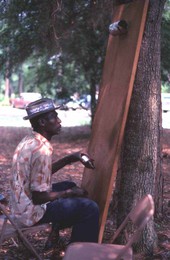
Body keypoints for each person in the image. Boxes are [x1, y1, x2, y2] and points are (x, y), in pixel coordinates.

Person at [10, 98, 99, 245]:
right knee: (89, 208)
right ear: (42, 122)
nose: (59, 121)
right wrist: (69, 194)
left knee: (68, 184)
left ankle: (56, 236)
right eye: (54, 117)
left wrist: (71, 158)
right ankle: (79, 254)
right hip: (29, 212)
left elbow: (38, 175)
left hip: (20, 203)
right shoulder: (41, 150)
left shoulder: (31, 140)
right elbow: (39, 198)